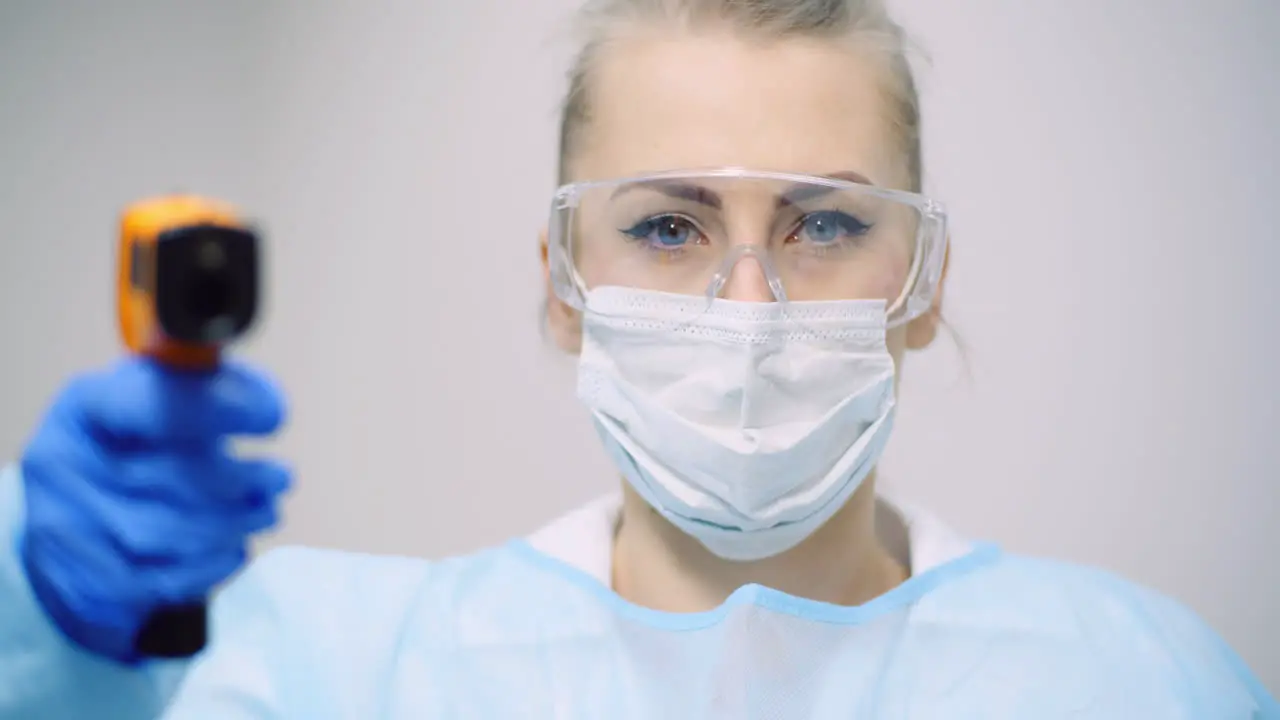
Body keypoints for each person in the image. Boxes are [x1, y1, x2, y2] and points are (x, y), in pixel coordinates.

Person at [1, 0, 1276, 717]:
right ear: (560, 289)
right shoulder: (333, 670)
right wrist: (61, 640)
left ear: (921, 284)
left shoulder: (1133, 681)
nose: (744, 304)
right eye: (666, 227)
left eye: (823, 224)